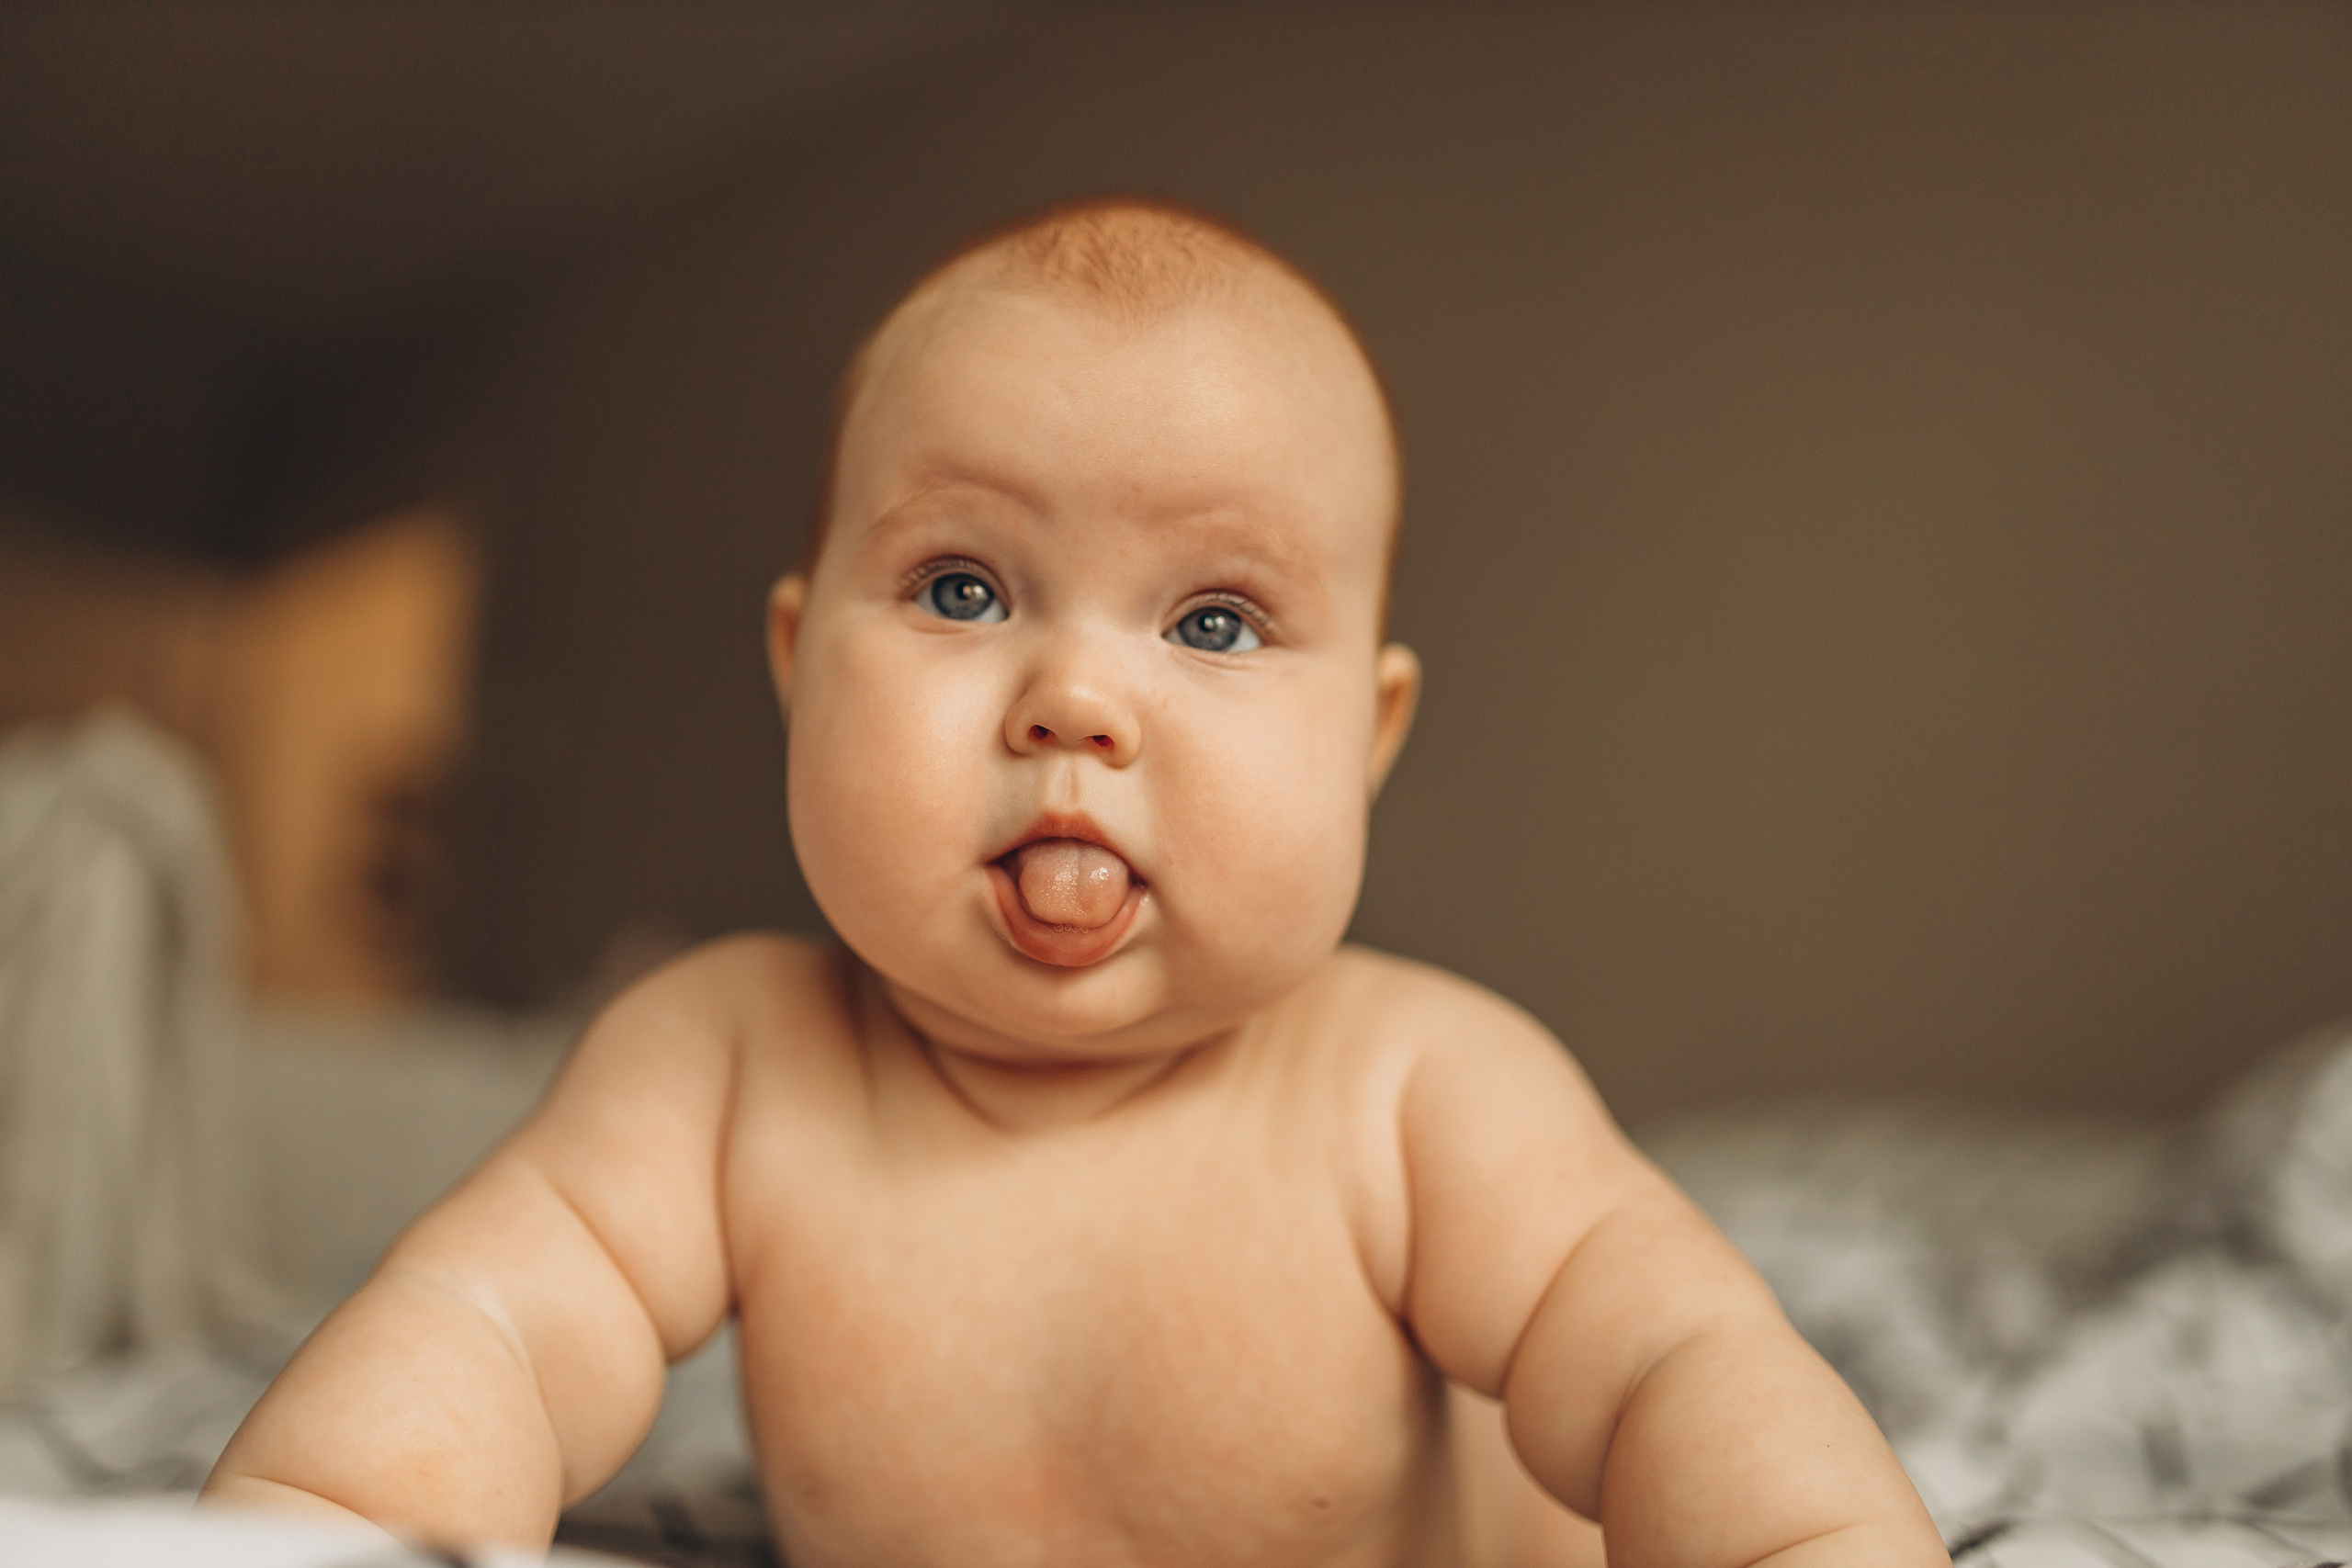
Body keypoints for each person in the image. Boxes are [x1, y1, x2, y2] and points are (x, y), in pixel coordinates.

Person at [201, 197, 1949, 1567]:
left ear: (1369, 737)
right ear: (801, 667)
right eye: (965, 589)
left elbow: (1666, 1367)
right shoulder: (726, 1061)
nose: (1076, 704)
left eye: (1213, 620)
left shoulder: (1416, 1085)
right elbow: (489, 1331)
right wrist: (325, 1529)